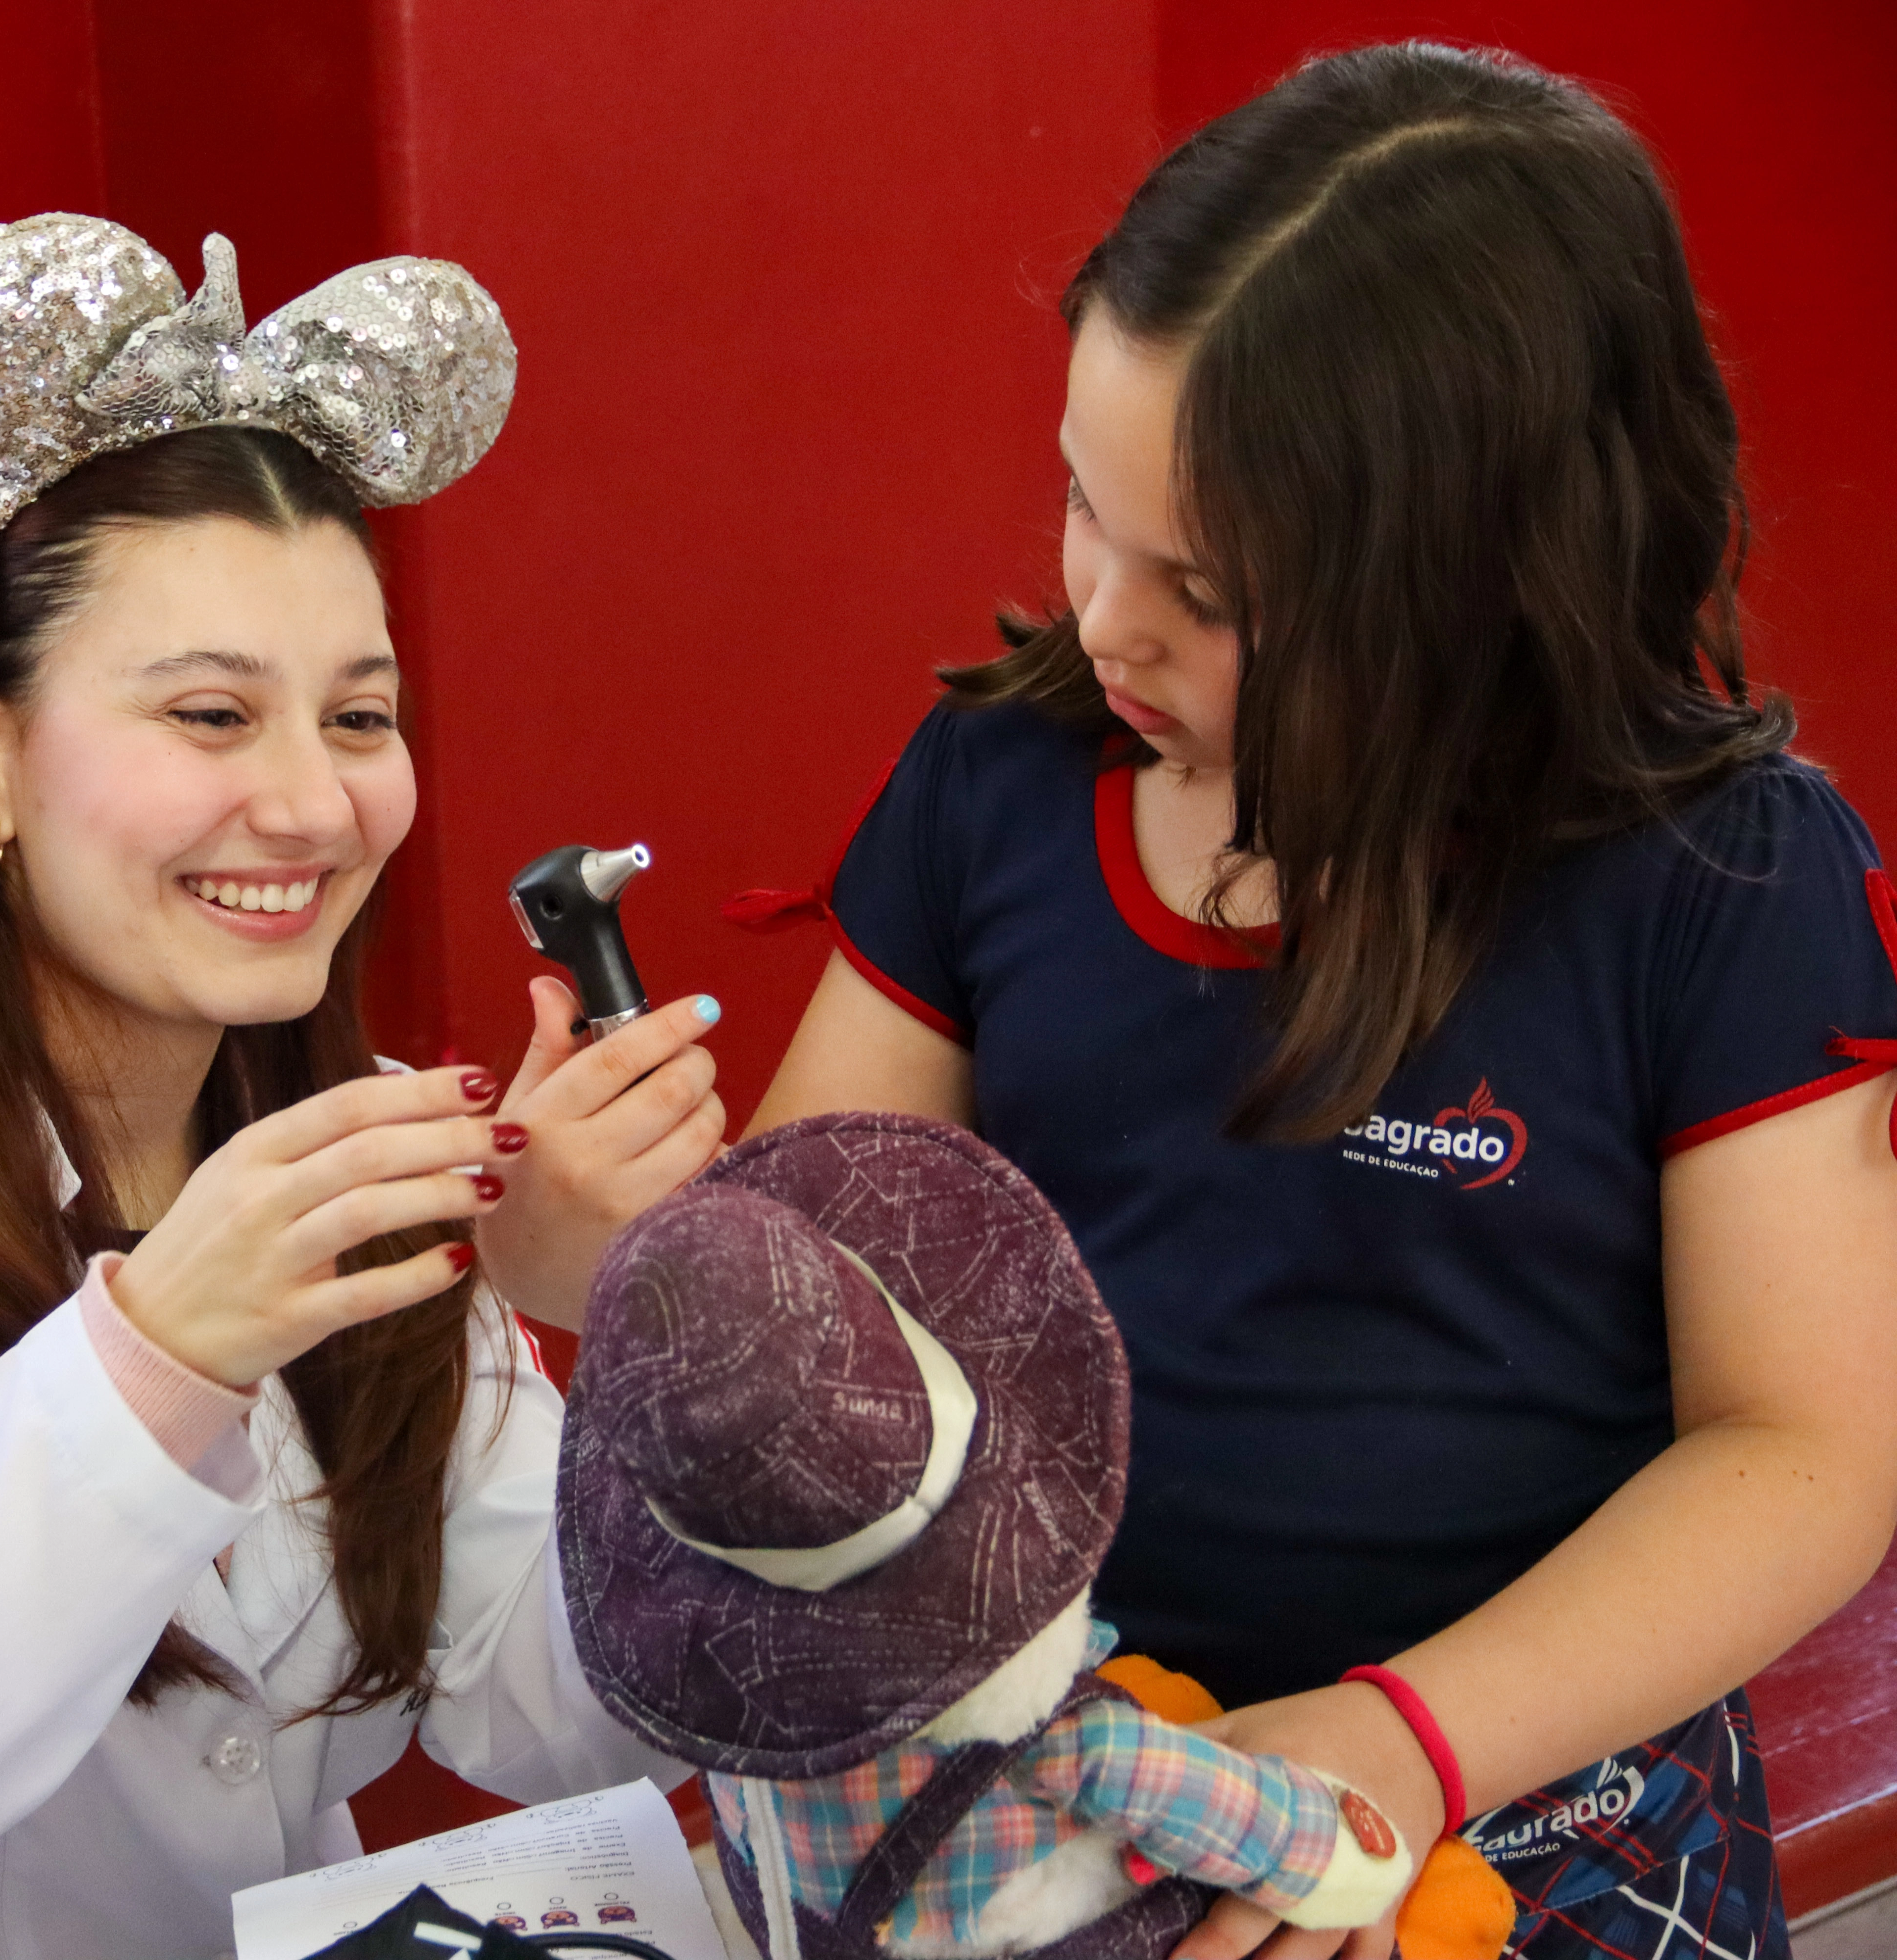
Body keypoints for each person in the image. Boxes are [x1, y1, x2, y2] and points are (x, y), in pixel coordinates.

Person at [748, 44, 1897, 1960]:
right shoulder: (1001, 786)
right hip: (1075, 1789)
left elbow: (1806, 1455)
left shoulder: (1727, 883)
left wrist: (1403, 1742)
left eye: (1202, 586)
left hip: (1545, 1808)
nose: (1104, 614)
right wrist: (623, 1258)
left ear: (1483, 589)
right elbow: (812, 1265)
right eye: (1078, 506)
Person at [0, 215, 721, 1960]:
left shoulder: (358, 1146)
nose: (315, 808)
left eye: (361, 717)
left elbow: (579, 1711)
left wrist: (626, 1327)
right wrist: (157, 1353)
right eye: (214, 717)